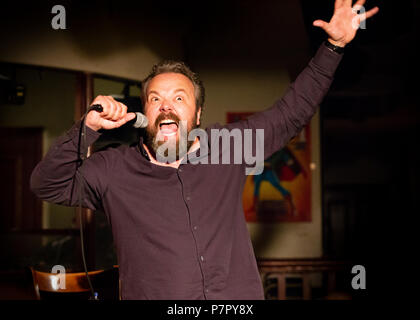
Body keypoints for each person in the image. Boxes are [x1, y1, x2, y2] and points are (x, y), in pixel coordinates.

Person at [30, 0, 378, 300]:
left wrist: (332, 47)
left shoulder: (228, 147)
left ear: (197, 114)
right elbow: (47, 184)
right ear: (145, 113)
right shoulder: (111, 169)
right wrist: (87, 129)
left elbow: (291, 113)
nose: (166, 106)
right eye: (156, 99)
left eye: (179, 99)